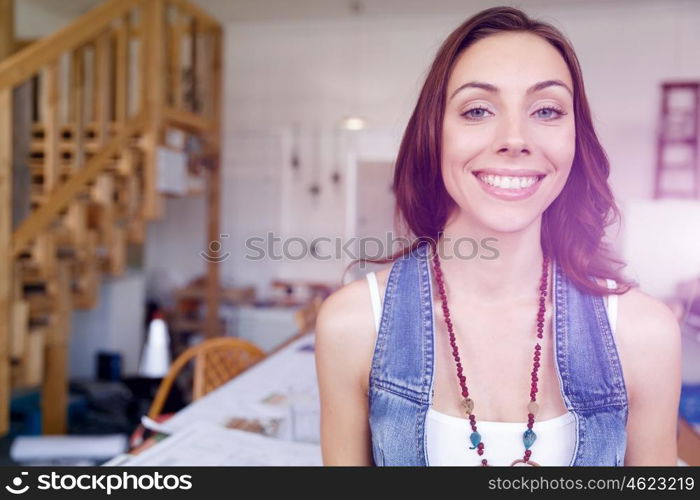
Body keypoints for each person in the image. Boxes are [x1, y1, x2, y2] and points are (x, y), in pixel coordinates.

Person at [314, 6, 681, 466]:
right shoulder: (353, 324)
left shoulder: (644, 334)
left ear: (574, 140)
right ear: (434, 135)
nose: (514, 138)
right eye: (478, 109)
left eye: (546, 110)